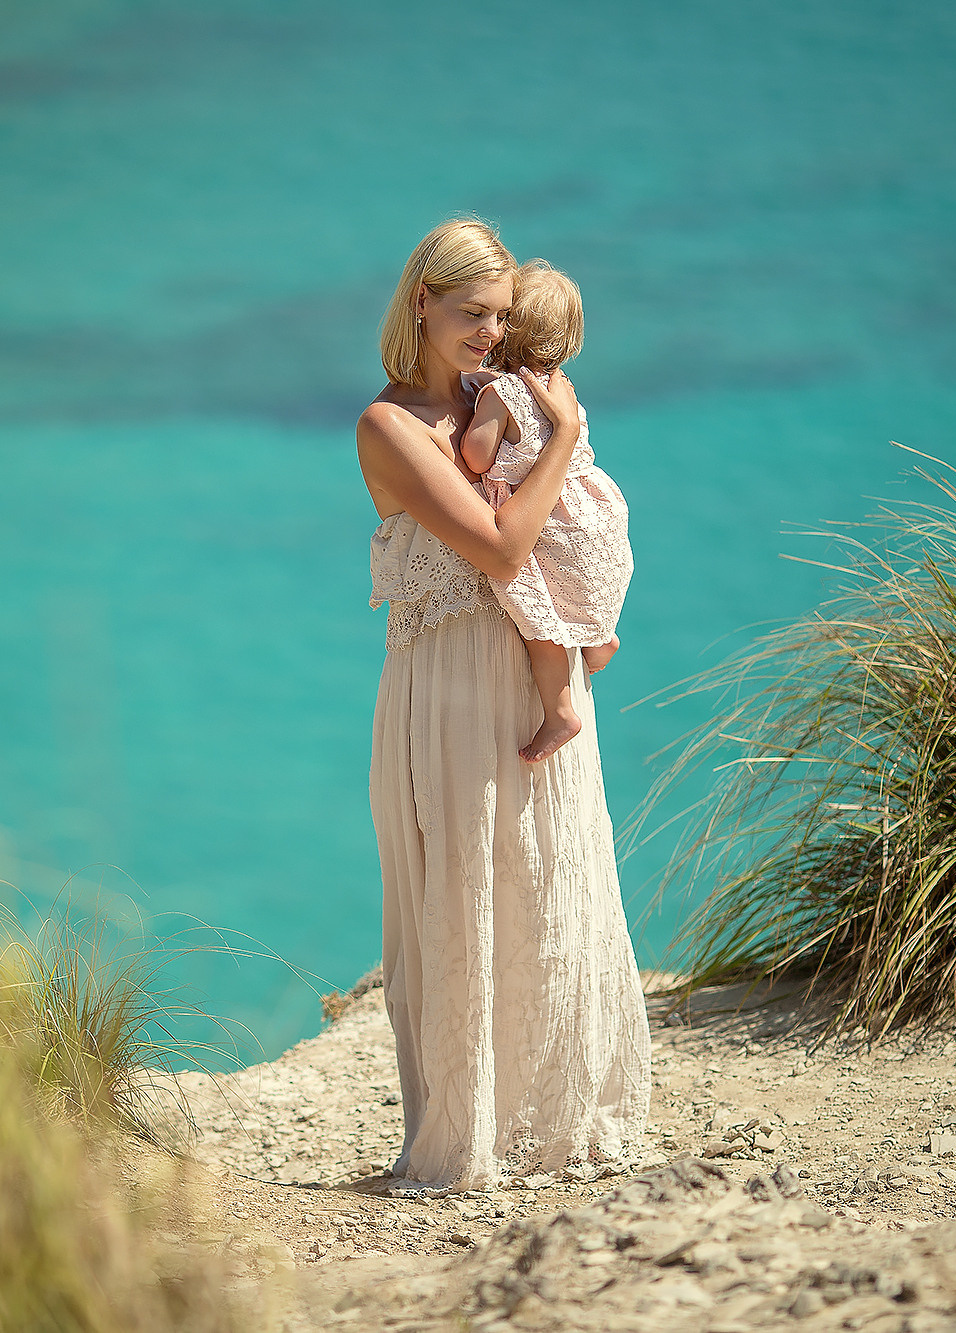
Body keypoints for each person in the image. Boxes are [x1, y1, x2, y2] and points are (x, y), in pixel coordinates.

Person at [358, 218, 650, 1192]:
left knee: (550, 877)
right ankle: (459, 1137)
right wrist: (564, 433)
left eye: (501, 317)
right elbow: (498, 548)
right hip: (441, 694)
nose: (486, 333)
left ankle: (561, 1120)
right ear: (421, 304)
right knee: (453, 901)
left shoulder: (503, 400)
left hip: (530, 675)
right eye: (470, 313)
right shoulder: (390, 427)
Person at [457, 259, 633, 762]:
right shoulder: (563, 391)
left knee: (541, 620)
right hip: (592, 509)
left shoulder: (502, 393)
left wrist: (471, 426)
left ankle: (560, 713)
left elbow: (476, 455)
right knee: (583, 584)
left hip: (547, 519)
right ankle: (601, 639)